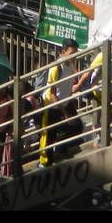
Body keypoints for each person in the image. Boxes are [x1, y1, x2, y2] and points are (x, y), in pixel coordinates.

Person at [73, 28, 112, 134]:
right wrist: (79, 85)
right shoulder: (104, 55)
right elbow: (90, 70)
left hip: (110, 91)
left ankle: (100, 129)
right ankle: (98, 130)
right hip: (100, 90)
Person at [39, 38, 82, 167]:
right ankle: (44, 162)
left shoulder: (71, 64)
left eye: (75, 53)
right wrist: (64, 113)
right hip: (52, 106)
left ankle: (60, 148)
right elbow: (52, 94)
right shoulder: (56, 68)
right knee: (48, 135)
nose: (73, 56)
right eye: (71, 53)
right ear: (63, 52)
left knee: (77, 126)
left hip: (64, 102)